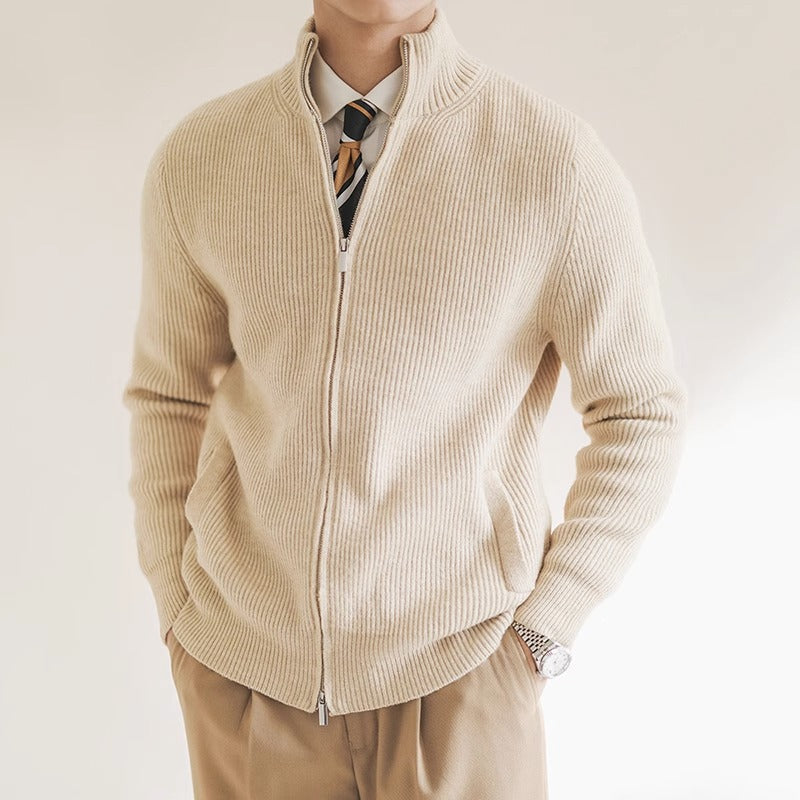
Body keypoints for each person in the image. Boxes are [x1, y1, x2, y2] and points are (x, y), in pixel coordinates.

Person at [122, 1, 688, 797]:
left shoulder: (552, 162)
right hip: (246, 680)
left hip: (462, 675)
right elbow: (170, 394)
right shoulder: (204, 156)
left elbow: (639, 413)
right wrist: (178, 608)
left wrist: (543, 632)